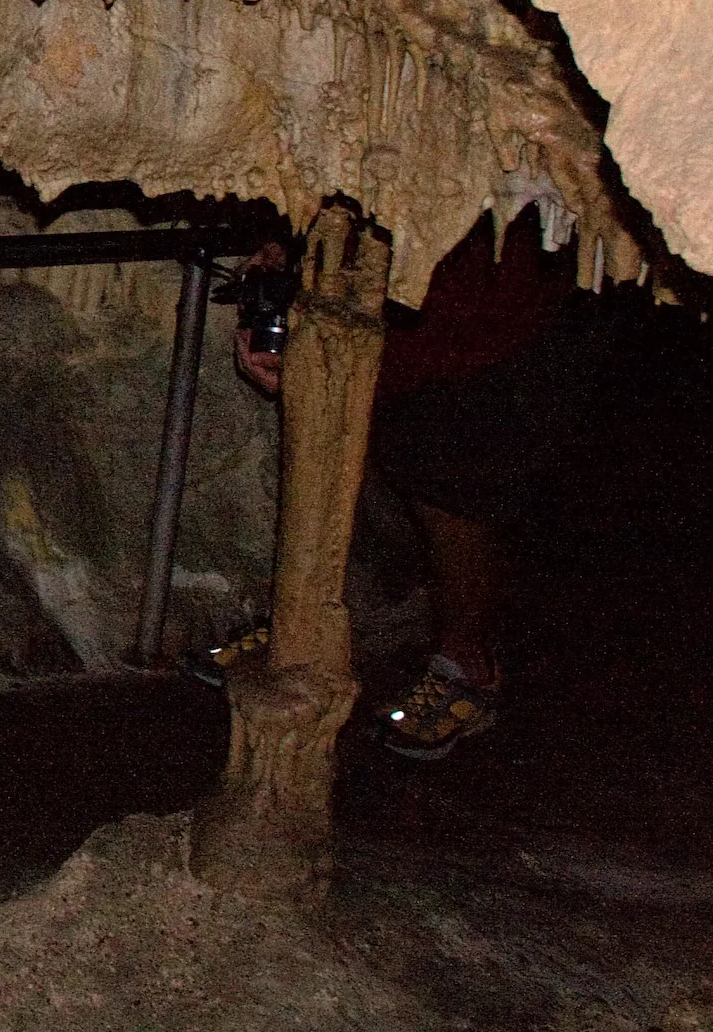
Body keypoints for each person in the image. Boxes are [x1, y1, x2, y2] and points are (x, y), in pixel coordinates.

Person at [212, 208, 571, 760]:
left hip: (486, 320)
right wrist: (280, 262)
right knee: (340, 455)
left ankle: (467, 664)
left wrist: (336, 353)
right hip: (395, 304)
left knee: (453, 488)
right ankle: (305, 622)